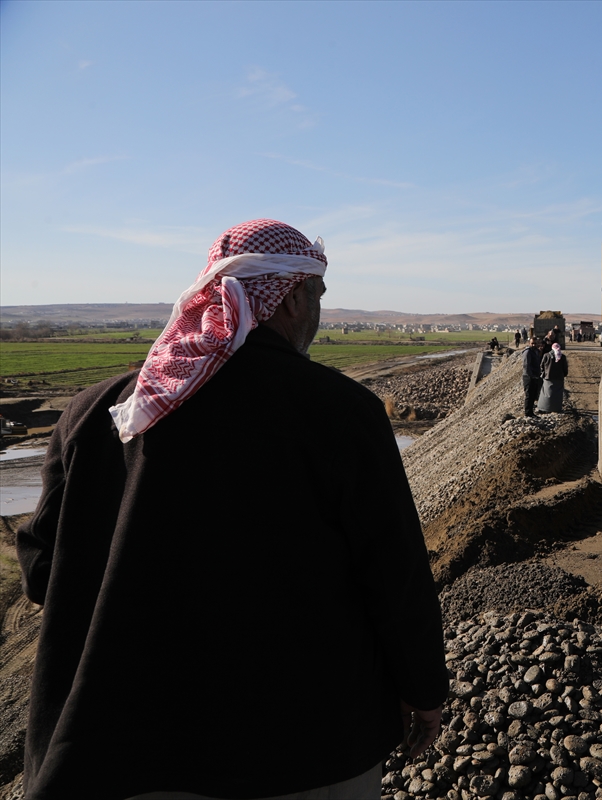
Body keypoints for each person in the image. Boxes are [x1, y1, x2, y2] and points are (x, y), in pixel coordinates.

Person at [17, 219, 448, 800]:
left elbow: (44, 571)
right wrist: (423, 690)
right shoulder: (342, 412)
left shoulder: (98, 414)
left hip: (121, 749)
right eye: (317, 296)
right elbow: (394, 579)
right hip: (306, 752)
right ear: (294, 296)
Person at [538, 341, 569, 413]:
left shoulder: (546, 355)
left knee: (546, 393)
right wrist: (564, 374)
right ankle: (557, 408)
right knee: (557, 395)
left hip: (548, 378)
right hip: (559, 378)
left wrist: (543, 374)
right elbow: (565, 368)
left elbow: (541, 366)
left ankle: (544, 408)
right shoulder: (562, 357)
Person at [521, 336, 544, 417]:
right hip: (529, 377)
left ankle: (531, 412)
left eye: (535, 343)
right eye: (532, 343)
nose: (534, 345)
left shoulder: (536, 351)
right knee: (529, 395)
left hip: (535, 377)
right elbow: (526, 366)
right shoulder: (527, 352)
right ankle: (527, 413)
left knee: (533, 395)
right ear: (529, 343)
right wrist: (531, 376)